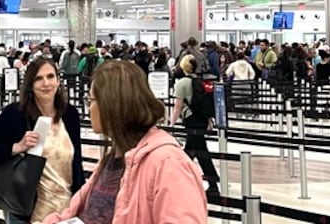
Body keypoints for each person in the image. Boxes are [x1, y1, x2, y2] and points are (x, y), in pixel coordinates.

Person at [38, 60, 206, 224]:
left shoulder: (167, 163)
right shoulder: (114, 158)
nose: (89, 108)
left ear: (111, 105)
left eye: (91, 101)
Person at [0, 58, 83, 223]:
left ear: (58, 81)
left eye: (50, 76)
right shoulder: (16, 114)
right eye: (38, 78)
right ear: (30, 84)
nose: (46, 83)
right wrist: (17, 147)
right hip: (28, 211)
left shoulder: (69, 114)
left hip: (66, 210)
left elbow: (76, 162)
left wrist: (82, 200)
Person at [169, 55, 219, 196]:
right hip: (201, 120)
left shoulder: (182, 83)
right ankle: (179, 180)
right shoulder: (200, 81)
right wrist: (209, 120)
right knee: (189, 152)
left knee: (201, 152)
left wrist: (171, 125)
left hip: (191, 121)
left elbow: (177, 107)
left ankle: (213, 184)